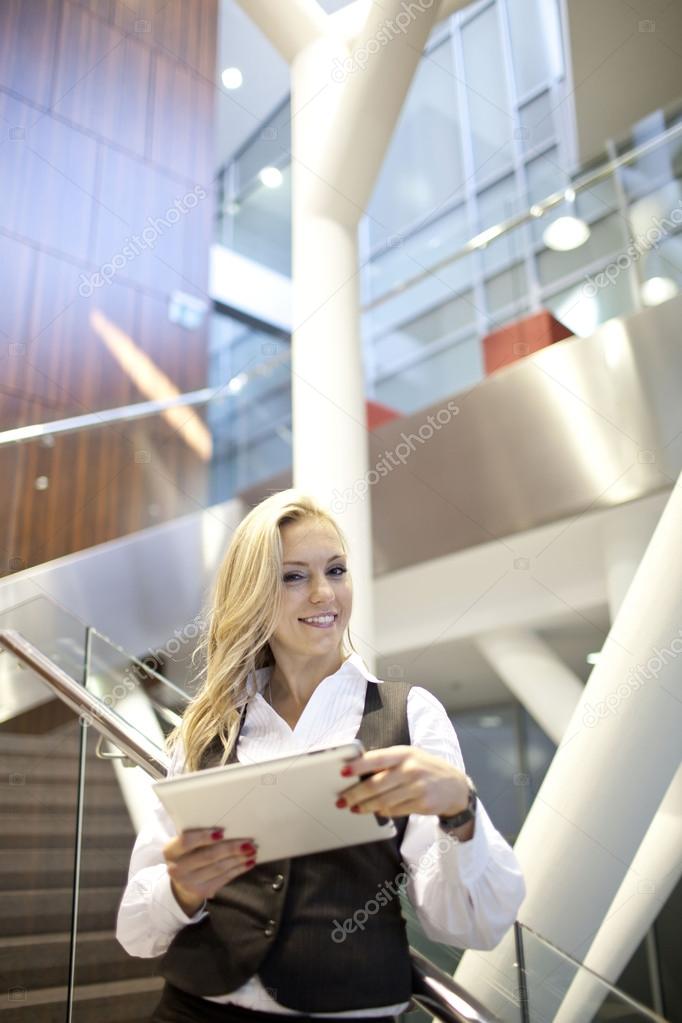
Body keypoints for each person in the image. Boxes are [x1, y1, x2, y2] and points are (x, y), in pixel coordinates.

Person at [116, 489, 525, 1023]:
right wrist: (181, 890)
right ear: (254, 593)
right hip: (194, 1009)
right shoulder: (209, 728)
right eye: (293, 576)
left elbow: (469, 925)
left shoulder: (409, 715)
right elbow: (137, 932)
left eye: (336, 570)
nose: (323, 594)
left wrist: (460, 810)